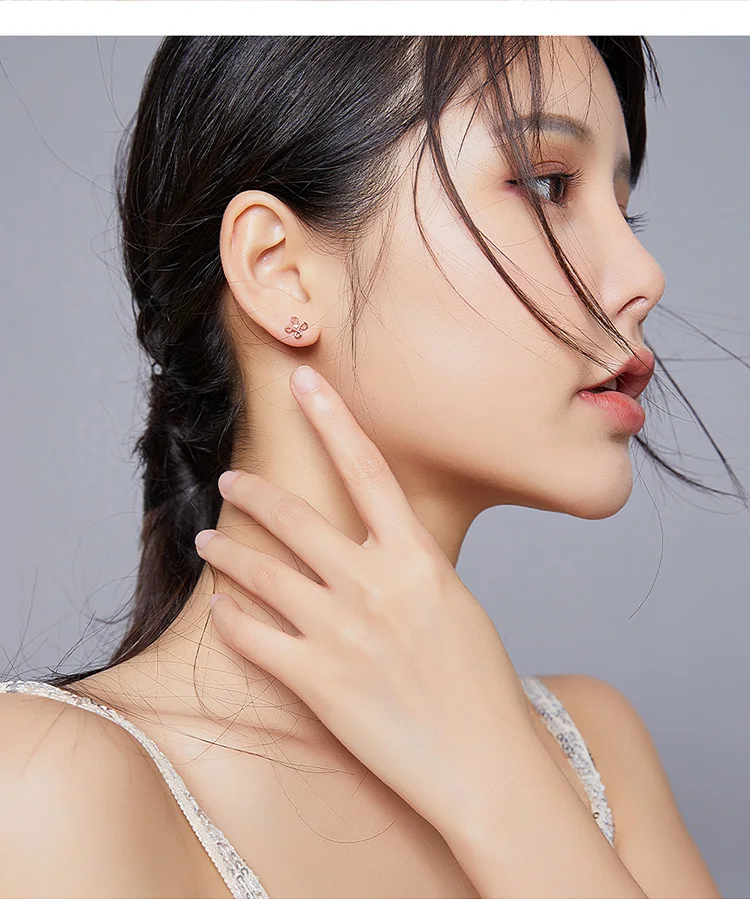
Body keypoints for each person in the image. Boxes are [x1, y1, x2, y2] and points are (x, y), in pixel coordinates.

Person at [0, 36, 729, 898]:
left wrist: (502, 781)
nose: (644, 274)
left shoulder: (596, 751)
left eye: (624, 208)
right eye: (547, 186)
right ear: (279, 271)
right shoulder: (46, 784)